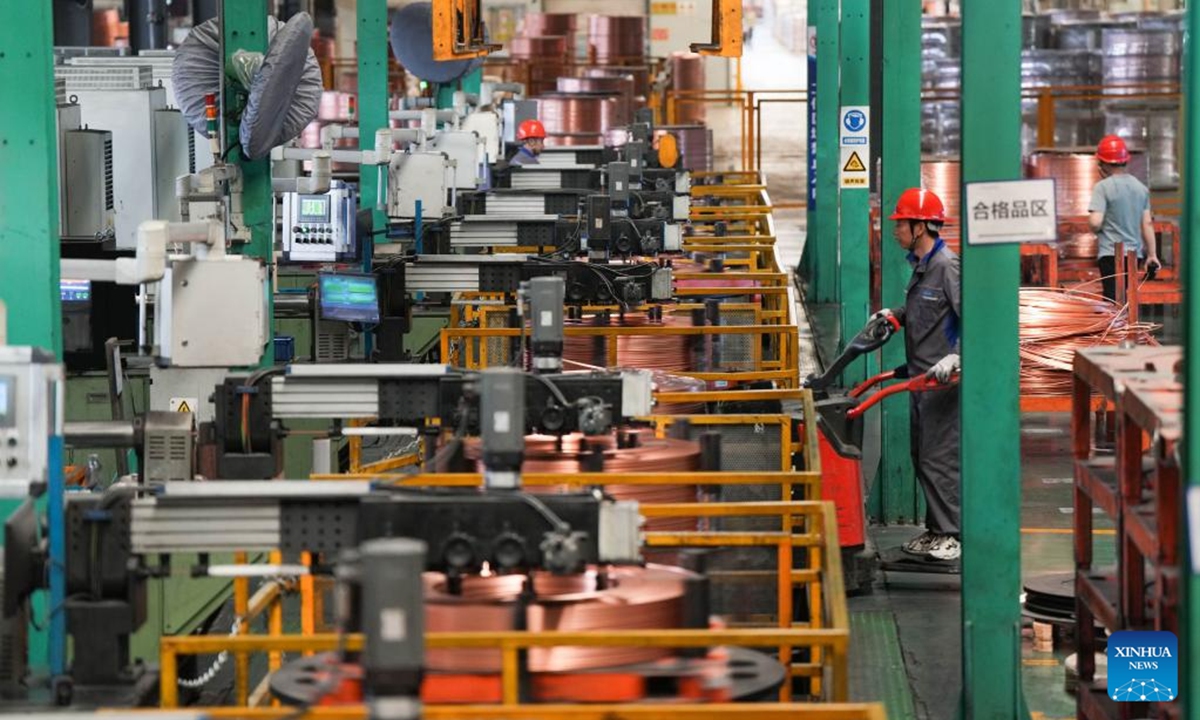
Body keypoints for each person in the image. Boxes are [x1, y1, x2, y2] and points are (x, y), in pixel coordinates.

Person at [871, 188, 962, 562]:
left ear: (921, 226)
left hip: (942, 381)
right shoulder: (922, 266)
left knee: (939, 457)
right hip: (920, 379)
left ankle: (952, 534)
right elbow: (924, 310)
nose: (894, 230)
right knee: (922, 455)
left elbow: (974, 319)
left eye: (901, 223)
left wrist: (957, 358)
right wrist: (894, 315)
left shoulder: (947, 267)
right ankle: (936, 528)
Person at [1088, 135, 1161, 303]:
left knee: (1112, 300)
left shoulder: (1102, 187)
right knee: (1128, 297)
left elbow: (1095, 221)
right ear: (1124, 161)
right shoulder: (1140, 188)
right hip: (1134, 255)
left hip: (1109, 255)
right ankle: (1128, 327)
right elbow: (1147, 224)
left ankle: (1115, 329)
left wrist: (1093, 227)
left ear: (1103, 163)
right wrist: (1152, 254)